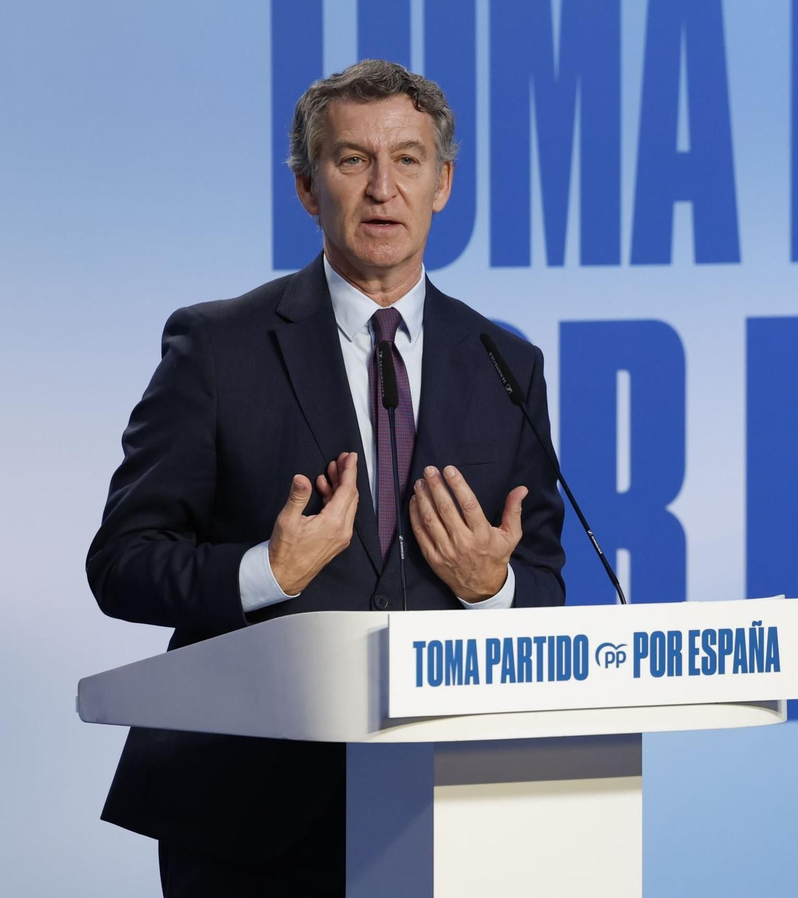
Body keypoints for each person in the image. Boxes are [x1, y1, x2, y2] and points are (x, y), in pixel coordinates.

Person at [85, 59, 566, 896]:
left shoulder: (505, 364)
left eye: (408, 160)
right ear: (309, 190)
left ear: (443, 183)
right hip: (247, 817)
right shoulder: (216, 349)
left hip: (446, 811)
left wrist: (492, 590)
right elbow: (121, 563)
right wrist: (263, 574)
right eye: (353, 161)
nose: (384, 188)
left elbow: (544, 585)